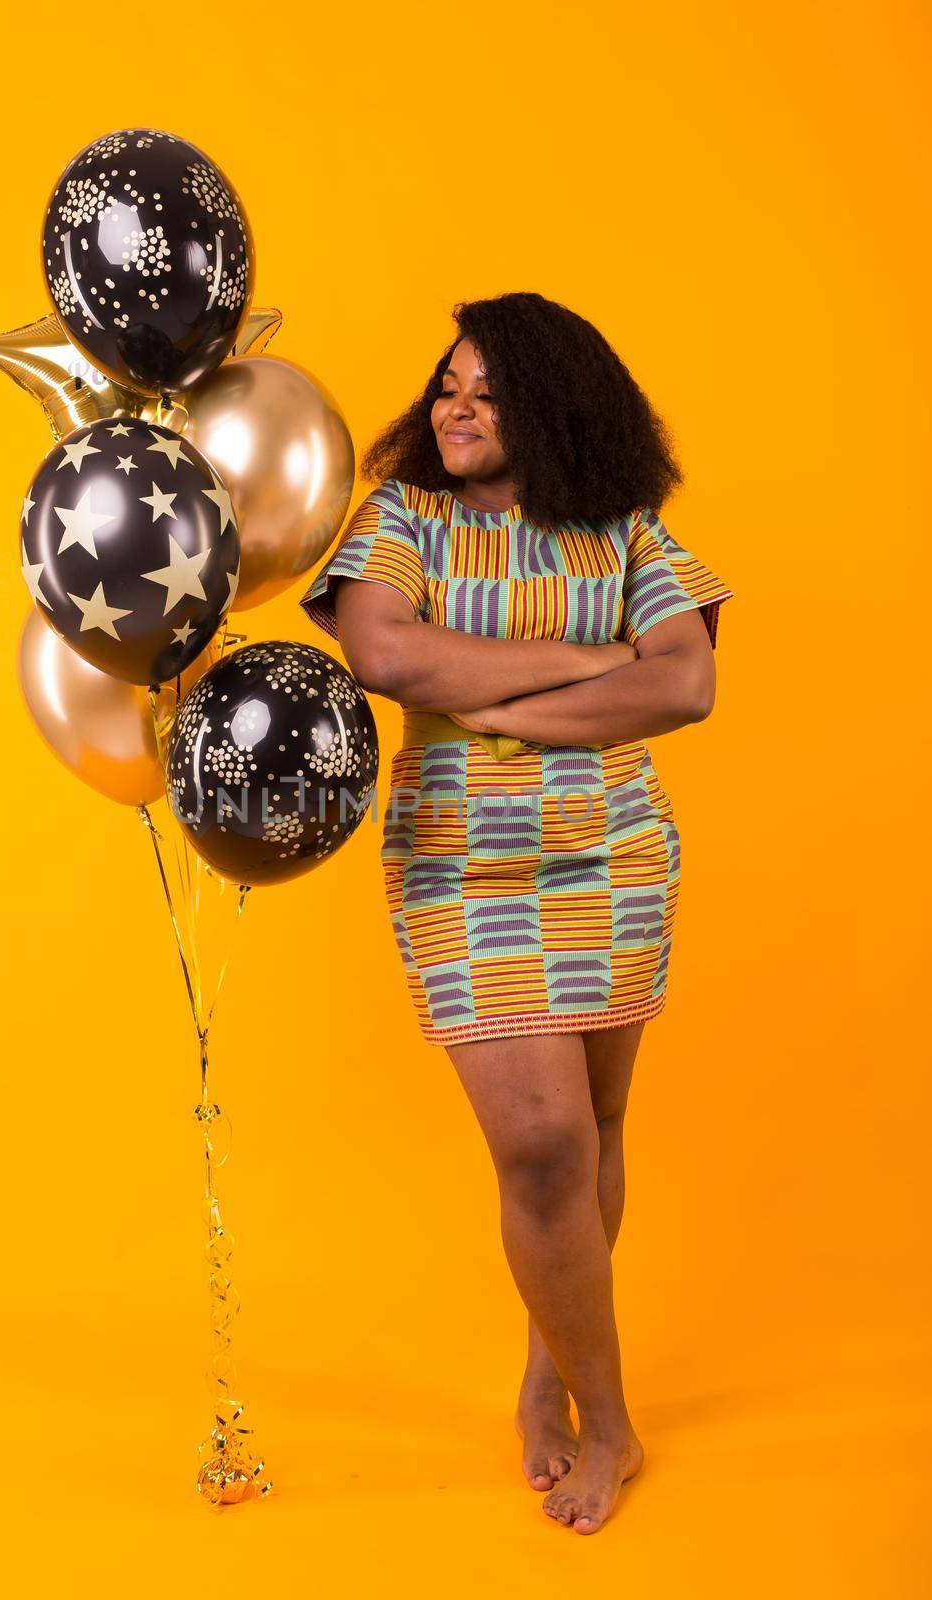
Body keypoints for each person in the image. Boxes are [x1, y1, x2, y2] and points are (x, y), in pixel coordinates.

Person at [297, 291, 734, 1534]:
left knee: (592, 1130)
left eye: (486, 391)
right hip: (459, 865)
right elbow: (389, 659)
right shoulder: (400, 519)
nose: (456, 408)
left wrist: (495, 702)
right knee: (539, 1145)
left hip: (611, 858)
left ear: (551, 402)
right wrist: (603, 665)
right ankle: (612, 1423)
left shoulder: (622, 532)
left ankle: (545, 1380)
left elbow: (687, 684)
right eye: (446, 385)